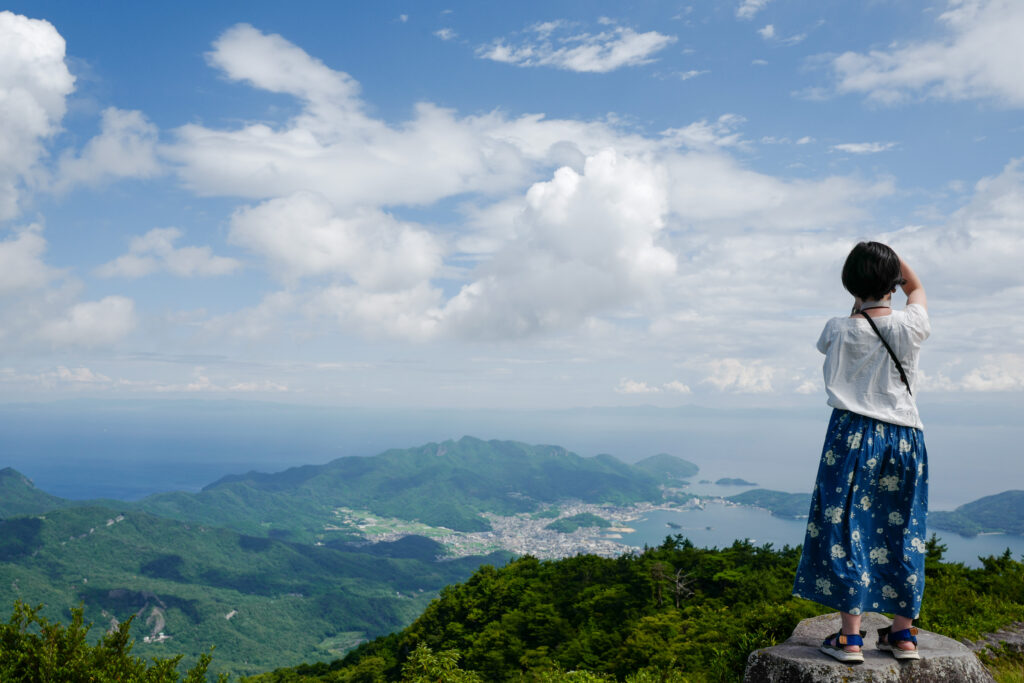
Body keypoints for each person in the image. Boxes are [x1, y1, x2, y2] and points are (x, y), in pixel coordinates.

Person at [792, 241, 930, 663]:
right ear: (893, 282)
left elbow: (851, 328)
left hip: (850, 437)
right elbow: (917, 289)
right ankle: (902, 635)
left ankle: (851, 639)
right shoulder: (911, 326)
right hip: (905, 438)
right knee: (904, 527)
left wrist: (860, 294)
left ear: (849, 284)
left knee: (846, 525)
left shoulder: (837, 328)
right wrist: (897, 264)